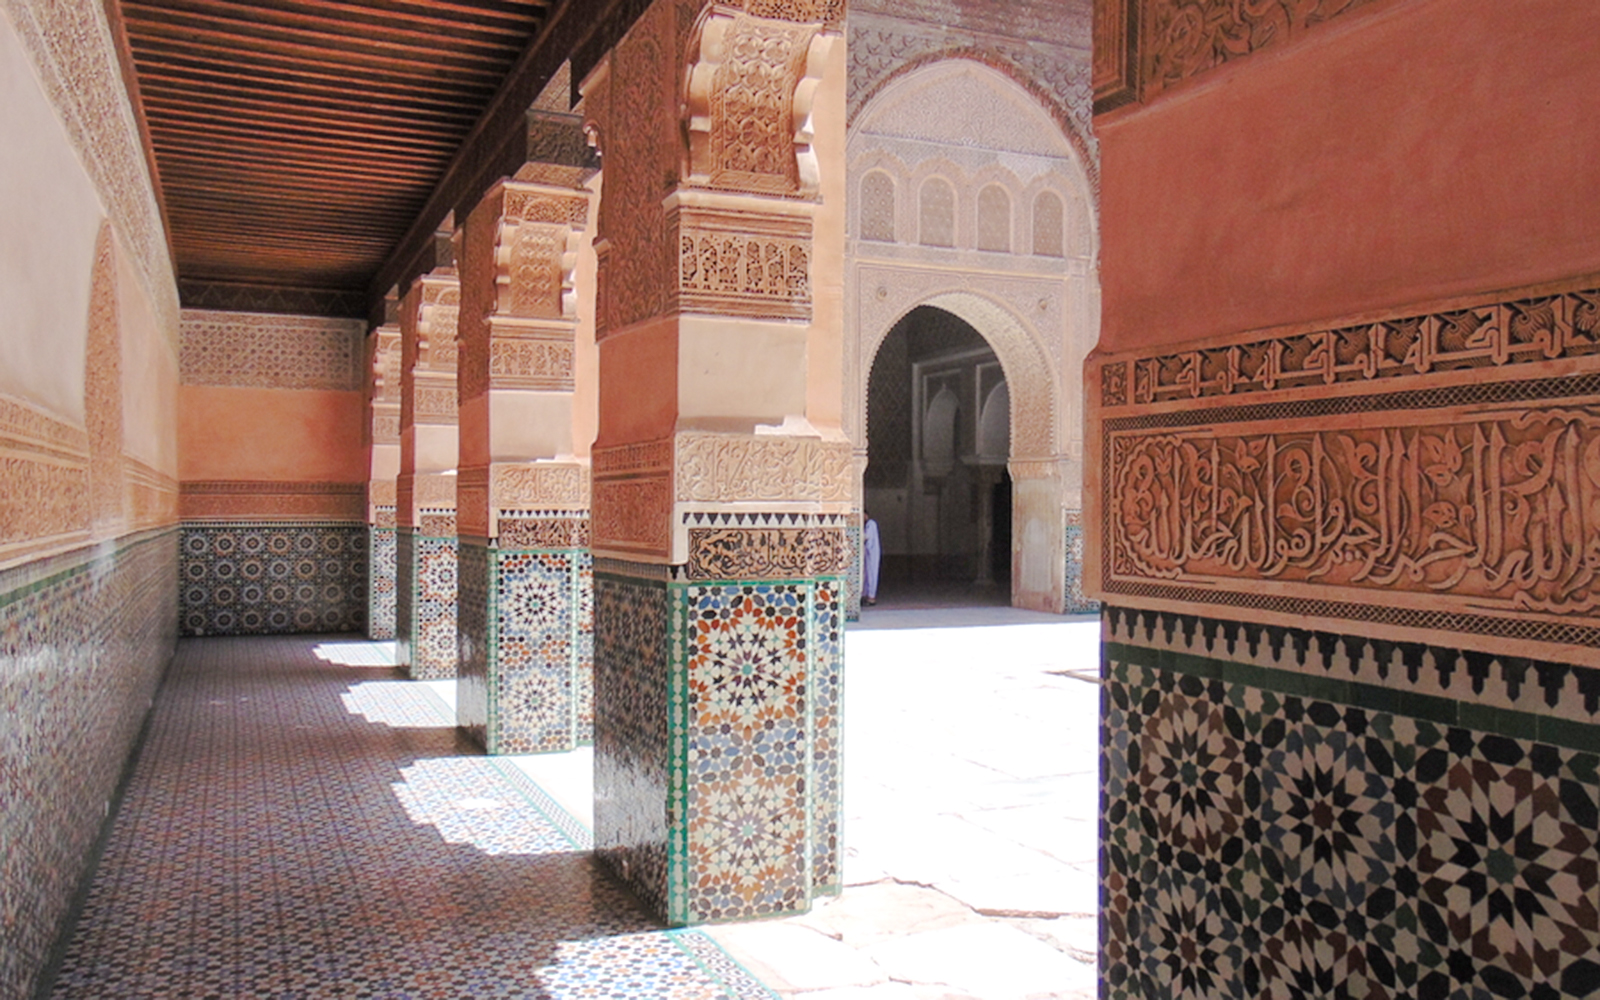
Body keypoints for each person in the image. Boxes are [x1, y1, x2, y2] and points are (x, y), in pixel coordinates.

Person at [861, 515, 881, 607]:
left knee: (871, 574)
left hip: (872, 553)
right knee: (866, 574)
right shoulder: (866, 525)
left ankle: (871, 597)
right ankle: (865, 595)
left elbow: (867, 537)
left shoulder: (871, 524)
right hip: (867, 554)